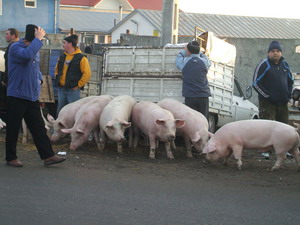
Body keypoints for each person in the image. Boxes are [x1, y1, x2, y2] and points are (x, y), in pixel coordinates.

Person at [5, 24, 66, 167]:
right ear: (32, 39)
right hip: (17, 95)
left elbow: (35, 66)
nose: (39, 43)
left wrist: (39, 78)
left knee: (38, 127)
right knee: (13, 128)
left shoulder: (34, 49)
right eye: (37, 38)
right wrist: (38, 40)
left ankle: (48, 156)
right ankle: (10, 157)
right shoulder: (15, 48)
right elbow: (27, 56)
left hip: (31, 96)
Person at [253, 40, 293, 159]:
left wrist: (288, 95)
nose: (275, 53)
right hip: (267, 103)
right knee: (266, 127)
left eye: (277, 51)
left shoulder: (285, 65)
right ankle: (265, 150)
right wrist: (267, 95)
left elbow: (290, 81)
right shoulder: (264, 64)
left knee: (284, 127)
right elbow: (255, 83)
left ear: (281, 53)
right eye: (273, 51)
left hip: (283, 102)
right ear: (268, 53)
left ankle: (284, 150)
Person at [55, 34, 91, 115]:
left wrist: (78, 85)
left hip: (73, 90)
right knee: (61, 112)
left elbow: (87, 74)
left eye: (64, 42)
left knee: (73, 112)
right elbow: (56, 70)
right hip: (62, 89)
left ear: (70, 44)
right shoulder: (62, 57)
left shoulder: (82, 58)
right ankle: (59, 127)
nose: (63, 45)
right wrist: (58, 80)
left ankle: (73, 127)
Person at [175, 40, 211, 119]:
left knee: (191, 120)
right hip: (203, 95)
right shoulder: (205, 62)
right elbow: (207, 59)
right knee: (203, 119)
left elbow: (178, 60)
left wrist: (184, 51)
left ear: (188, 52)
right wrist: (199, 52)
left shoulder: (184, 62)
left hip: (190, 95)